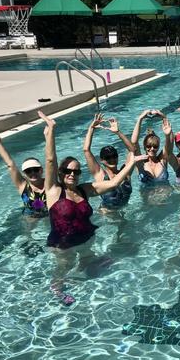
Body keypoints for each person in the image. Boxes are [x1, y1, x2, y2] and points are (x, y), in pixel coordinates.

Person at [39, 111, 142, 305]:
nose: (72, 174)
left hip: (86, 240)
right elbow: (50, 160)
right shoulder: (53, 190)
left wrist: (131, 164)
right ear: (60, 173)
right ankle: (57, 288)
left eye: (76, 171)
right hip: (64, 246)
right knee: (64, 269)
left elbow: (113, 183)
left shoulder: (85, 189)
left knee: (98, 263)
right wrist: (51, 129)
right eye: (67, 171)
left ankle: (81, 279)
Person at [0, 126, 48, 218]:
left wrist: (48, 138)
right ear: (24, 173)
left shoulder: (50, 183)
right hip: (30, 217)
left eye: (35, 169)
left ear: (41, 170)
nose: (33, 173)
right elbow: (10, 165)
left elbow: (50, 160)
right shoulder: (22, 186)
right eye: (28, 171)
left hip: (49, 216)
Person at [83, 113, 135, 210]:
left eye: (114, 156)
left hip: (125, 210)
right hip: (107, 214)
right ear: (102, 160)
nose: (112, 159)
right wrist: (91, 128)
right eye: (108, 157)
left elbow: (132, 151)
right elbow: (86, 150)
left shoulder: (125, 172)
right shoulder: (100, 175)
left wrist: (118, 132)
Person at [131, 109, 172, 186]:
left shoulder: (162, 160)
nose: (152, 149)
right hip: (148, 194)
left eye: (155, 146)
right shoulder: (140, 163)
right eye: (149, 146)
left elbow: (170, 144)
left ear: (158, 147)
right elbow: (134, 142)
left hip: (167, 193)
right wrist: (140, 119)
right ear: (144, 147)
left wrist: (164, 117)